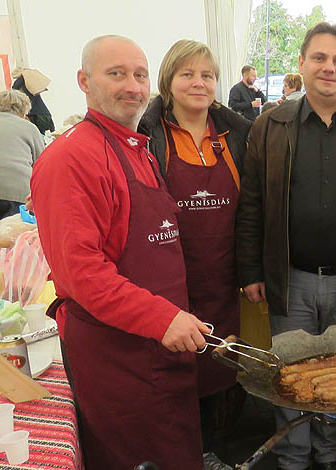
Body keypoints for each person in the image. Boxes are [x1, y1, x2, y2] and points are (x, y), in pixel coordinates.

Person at [30, 35, 209, 470]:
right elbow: (81, 275)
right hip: (120, 362)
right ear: (84, 81)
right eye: (117, 74)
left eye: (140, 74)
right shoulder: (70, 158)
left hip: (164, 355)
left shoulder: (138, 150)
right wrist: (162, 318)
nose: (132, 85)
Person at [235, 22, 336, 470]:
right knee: (292, 377)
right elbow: (252, 202)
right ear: (302, 64)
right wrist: (251, 271)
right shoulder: (271, 125)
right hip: (290, 280)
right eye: (320, 58)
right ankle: (293, 457)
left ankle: (333, 457)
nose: (329, 68)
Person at [136, 39, 251, 469]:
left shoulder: (237, 136)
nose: (198, 83)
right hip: (169, 282)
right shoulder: (149, 138)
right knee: (174, 373)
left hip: (224, 279)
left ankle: (210, 451)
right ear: (168, 82)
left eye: (207, 75)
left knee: (220, 367)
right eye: (187, 74)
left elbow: (252, 207)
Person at [0, 90, 44, 222]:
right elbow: (41, 164)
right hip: (17, 193)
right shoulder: (30, 128)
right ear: (24, 110)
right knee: (11, 238)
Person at [11, 67, 55, 135]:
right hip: (45, 114)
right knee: (42, 135)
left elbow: (14, 89)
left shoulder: (22, 79)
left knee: (35, 134)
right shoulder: (32, 85)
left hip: (35, 115)